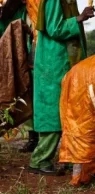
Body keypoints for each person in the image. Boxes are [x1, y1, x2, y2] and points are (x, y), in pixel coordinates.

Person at [28, 0, 95, 176]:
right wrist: (79, 18)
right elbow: (54, 28)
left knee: (67, 112)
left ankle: (66, 157)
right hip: (54, 62)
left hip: (61, 62)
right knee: (53, 113)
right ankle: (40, 160)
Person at [0, 0, 39, 153]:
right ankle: (32, 138)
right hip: (15, 57)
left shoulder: (32, 8)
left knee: (32, 96)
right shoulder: (13, 12)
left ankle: (37, 138)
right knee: (21, 95)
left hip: (33, 56)